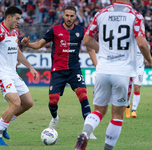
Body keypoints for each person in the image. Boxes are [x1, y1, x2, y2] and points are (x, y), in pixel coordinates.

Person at [74, 0, 152, 150]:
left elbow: (86, 40)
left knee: (98, 111)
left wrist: (103, 51)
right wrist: (149, 59)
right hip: (123, 72)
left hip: (103, 70)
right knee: (117, 116)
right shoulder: (135, 16)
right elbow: (142, 43)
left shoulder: (101, 14)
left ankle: (85, 133)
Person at [21, 5, 97, 139]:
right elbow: (39, 44)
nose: (69, 18)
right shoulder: (54, 30)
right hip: (58, 71)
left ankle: (88, 131)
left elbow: (90, 49)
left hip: (74, 70)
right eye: (67, 15)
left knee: (83, 95)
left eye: (71, 16)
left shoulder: (82, 31)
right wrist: (28, 44)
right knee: (53, 101)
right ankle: (55, 118)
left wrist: (98, 66)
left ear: (75, 17)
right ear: (63, 15)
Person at [0, 6, 39, 146]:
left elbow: (17, 52)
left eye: (20, 19)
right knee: (15, 103)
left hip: (12, 73)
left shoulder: (15, 33)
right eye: (17, 18)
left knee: (28, 103)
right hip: (1, 73)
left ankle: (2, 121)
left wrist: (30, 67)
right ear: (8, 17)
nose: (19, 21)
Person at [126, 46, 145, 118]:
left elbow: (146, 52)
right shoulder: (129, 43)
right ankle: (127, 105)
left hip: (139, 69)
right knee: (128, 88)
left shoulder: (142, 43)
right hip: (130, 69)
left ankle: (134, 110)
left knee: (137, 88)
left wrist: (147, 59)